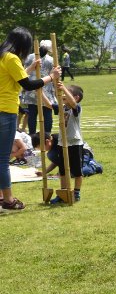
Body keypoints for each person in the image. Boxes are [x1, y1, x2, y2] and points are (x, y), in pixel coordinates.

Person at [0, 27, 60, 211]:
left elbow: (14, 79)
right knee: (2, 160)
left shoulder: (2, 56)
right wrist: (51, 77)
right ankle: (8, 200)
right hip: (6, 111)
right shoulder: (11, 58)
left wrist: (30, 68)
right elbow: (27, 84)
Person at [50, 83, 85, 204]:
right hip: (62, 143)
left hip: (75, 143)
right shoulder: (62, 107)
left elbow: (73, 104)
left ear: (76, 97)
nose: (63, 94)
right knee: (63, 170)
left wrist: (63, 87)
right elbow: (48, 104)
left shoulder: (76, 108)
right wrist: (39, 93)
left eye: (67, 93)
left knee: (77, 170)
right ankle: (63, 192)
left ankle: (76, 192)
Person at [23, 39, 58, 134]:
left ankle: (32, 135)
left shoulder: (29, 57)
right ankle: (47, 135)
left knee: (32, 114)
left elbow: (24, 71)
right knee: (47, 113)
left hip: (31, 88)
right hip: (45, 89)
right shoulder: (51, 60)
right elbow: (54, 76)